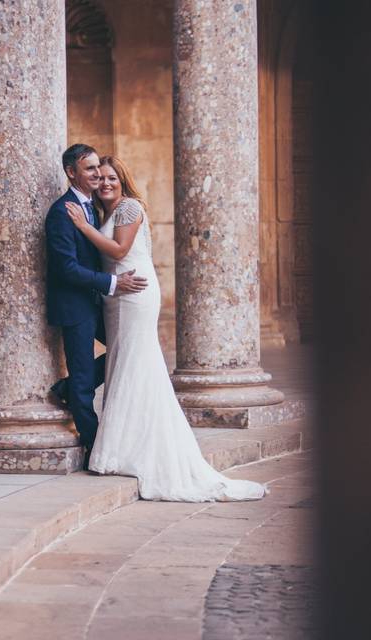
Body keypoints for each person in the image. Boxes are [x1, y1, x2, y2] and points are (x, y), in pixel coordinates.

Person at [64, 155, 268, 501]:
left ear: (122, 179)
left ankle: (123, 448)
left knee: (133, 361)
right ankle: (118, 443)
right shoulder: (104, 212)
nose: (106, 182)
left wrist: (83, 228)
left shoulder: (129, 208)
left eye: (112, 177)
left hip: (135, 294)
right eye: (100, 178)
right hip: (117, 296)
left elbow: (120, 248)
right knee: (124, 363)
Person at [45, 144, 148, 459]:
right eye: (89, 169)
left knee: (130, 348)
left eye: (99, 170)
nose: (97, 175)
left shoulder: (94, 207)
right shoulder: (63, 212)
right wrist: (113, 283)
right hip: (76, 305)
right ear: (71, 172)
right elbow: (67, 268)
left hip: (98, 301)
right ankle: (92, 445)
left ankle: (67, 389)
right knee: (82, 378)